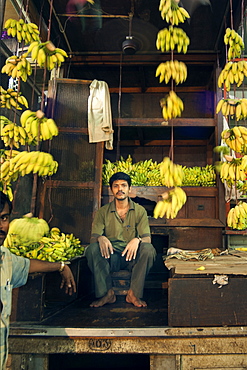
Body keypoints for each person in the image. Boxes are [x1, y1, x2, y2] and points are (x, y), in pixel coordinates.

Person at [0, 191, 76, 370]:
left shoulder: (6, 259)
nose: (1, 226)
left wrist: (61, 266)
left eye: (4, 218)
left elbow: (28, 266)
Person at [85, 172, 156, 308]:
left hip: (132, 257)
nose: (120, 189)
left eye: (123, 185)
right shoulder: (103, 212)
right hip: (111, 257)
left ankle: (133, 294)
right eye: (116, 186)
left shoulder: (140, 211)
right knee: (92, 249)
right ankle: (107, 294)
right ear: (112, 189)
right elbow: (93, 238)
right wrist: (100, 238)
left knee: (148, 250)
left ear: (129, 189)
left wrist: (137, 240)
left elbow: (147, 238)